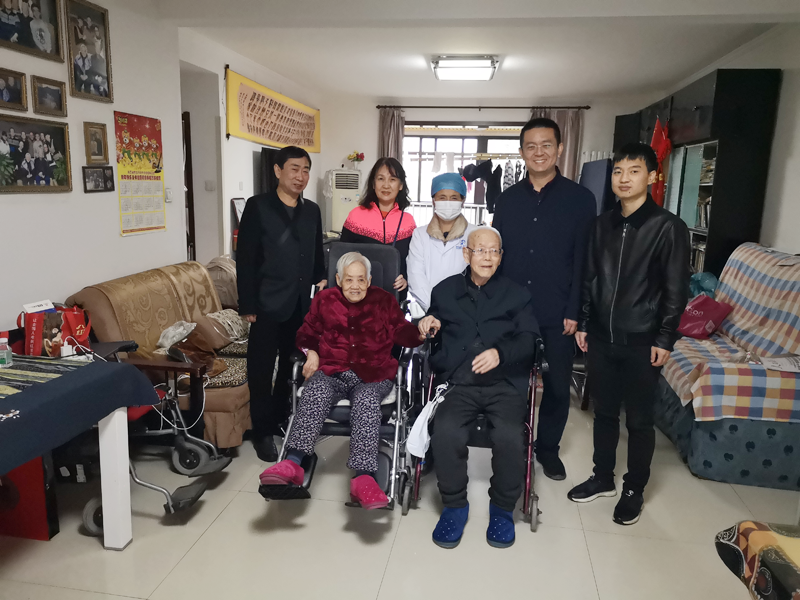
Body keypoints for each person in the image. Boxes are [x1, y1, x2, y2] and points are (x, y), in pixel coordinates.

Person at [568, 143, 690, 525]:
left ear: (651, 176)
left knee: (638, 420)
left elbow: (676, 290)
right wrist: (584, 322)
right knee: (604, 413)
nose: (624, 179)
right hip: (600, 337)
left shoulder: (668, 227)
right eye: (618, 171)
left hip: (642, 340)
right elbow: (589, 278)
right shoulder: (600, 225)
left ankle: (633, 489)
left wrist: (665, 338)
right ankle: (602, 477)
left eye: (634, 171)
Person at [258, 252, 425, 508]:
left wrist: (419, 333)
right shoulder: (325, 300)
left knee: (366, 401)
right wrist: (310, 352)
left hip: (374, 373)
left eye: (361, 279)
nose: (355, 286)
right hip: (333, 370)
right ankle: (292, 463)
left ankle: (364, 479)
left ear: (369, 280)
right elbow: (306, 333)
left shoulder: (384, 300)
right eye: (349, 279)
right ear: (338, 279)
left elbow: (401, 331)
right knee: (315, 391)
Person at [418, 226, 539, 549]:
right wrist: (429, 322)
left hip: (504, 384)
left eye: (494, 251)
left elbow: (529, 341)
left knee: (510, 436)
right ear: (466, 254)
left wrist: (501, 353)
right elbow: (433, 322)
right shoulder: (444, 290)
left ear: (501, 257)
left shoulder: (517, 295)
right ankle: (454, 506)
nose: (487, 257)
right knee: (445, 431)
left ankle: (502, 510)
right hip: (459, 383)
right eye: (480, 250)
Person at [492, 117, 596, 481]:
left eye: (546, 145)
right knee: (512, 383)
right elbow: (496, 257)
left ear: (560, 149)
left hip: (558, 311)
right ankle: (513, 443)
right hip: (512, 312)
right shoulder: (506, 200)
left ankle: (547, 449)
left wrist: (575, 311)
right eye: (531, 146)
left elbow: (584, 260)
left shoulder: (581, 200)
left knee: (556, 386)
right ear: (522, 152)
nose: (539, 152)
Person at [237, 145, 326, 463]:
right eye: (294, 169)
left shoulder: (312, 210)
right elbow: (245, 258)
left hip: (300, 304)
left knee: (292, 365)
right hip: (265, 302)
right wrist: (247, 303)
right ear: (277, 171)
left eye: (305, 170)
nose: (300, 176)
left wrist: (321, 276)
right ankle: (261, 431)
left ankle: (279, 416)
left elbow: (316, 250)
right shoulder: (258, 206)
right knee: (261, 368)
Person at [340, 157, 416, 292]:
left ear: (400, 185)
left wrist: (406, 279)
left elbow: (412, 262)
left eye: (392, 179)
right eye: (381, 179)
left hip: (394, 294)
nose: (386, 185)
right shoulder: (355, 216)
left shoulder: (408, 222)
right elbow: (341, 257)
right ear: (373, 184)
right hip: (359, 293)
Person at [407, 172, 476, 312]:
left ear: (463, 201)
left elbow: (478, 276)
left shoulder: (474, 234)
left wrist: (457, 310)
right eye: (442, 197)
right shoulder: (420, 235)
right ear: (434, 201)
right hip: (428, 309)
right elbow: (415, 275)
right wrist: (433, 307)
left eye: (454, 198)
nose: (448, 202)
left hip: (465, 311)